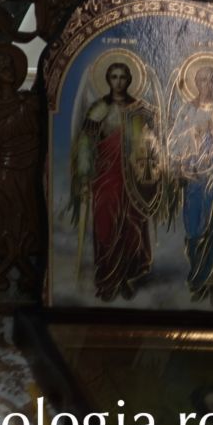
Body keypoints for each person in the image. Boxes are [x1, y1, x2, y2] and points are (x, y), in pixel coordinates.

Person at [68, 61, 159, 301]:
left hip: (131, 177)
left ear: (129, 80)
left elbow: (149, 142)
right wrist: (85, 174)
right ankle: (108, 278)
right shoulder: (99, 108)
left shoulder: (137, 108)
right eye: (114, 77)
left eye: (122, 77)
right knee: (106, 225)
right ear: (108, 80)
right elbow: (86, 143)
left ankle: (126, 276)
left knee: (131, 224)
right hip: (105, 176)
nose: (118, 81)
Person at [168, 62, 213, 304]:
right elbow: (175, 142)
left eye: (211, 80)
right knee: (194, 227)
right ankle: (198, 275)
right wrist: (181, 163)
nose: (207, 85)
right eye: (202, 80)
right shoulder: (187, 111)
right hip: (194, 178)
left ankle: (211, 284)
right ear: (195, 84)